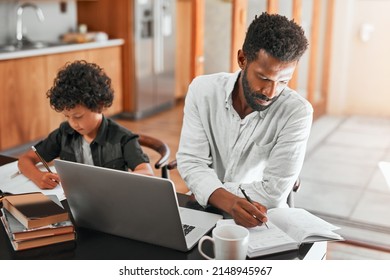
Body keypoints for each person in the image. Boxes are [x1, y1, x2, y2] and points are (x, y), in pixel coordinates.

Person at [176, 12, 312, 228]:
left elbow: (274, 193)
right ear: (242, 59)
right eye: (264, 78)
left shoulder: (297, 112)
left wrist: (208, 190)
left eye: (284, 81)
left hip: (260, 217)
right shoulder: (202, 90)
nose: (271, 91)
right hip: (204, 209)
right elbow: (191, 161)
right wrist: (227, 200)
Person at [18, 60, 154, 189]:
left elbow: (147, 174)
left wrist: (114, 181)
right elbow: (25, 160)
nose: (73, 123)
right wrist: (38, 177)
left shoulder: (123, 138)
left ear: (99, 106)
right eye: (67, 116)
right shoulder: (65, 133)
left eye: (78, 116)